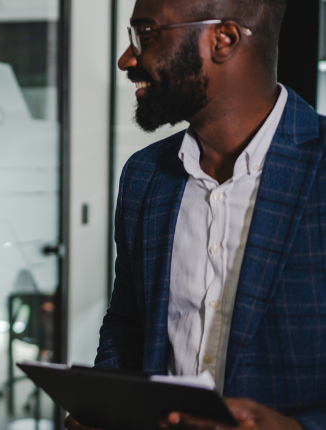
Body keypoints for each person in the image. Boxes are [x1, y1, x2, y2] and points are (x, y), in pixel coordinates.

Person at [67, 0, 326, 429]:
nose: (127, 58)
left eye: (146, 35)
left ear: (222, 39)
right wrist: (106, 405)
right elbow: (127, 324)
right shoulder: (144, 176)